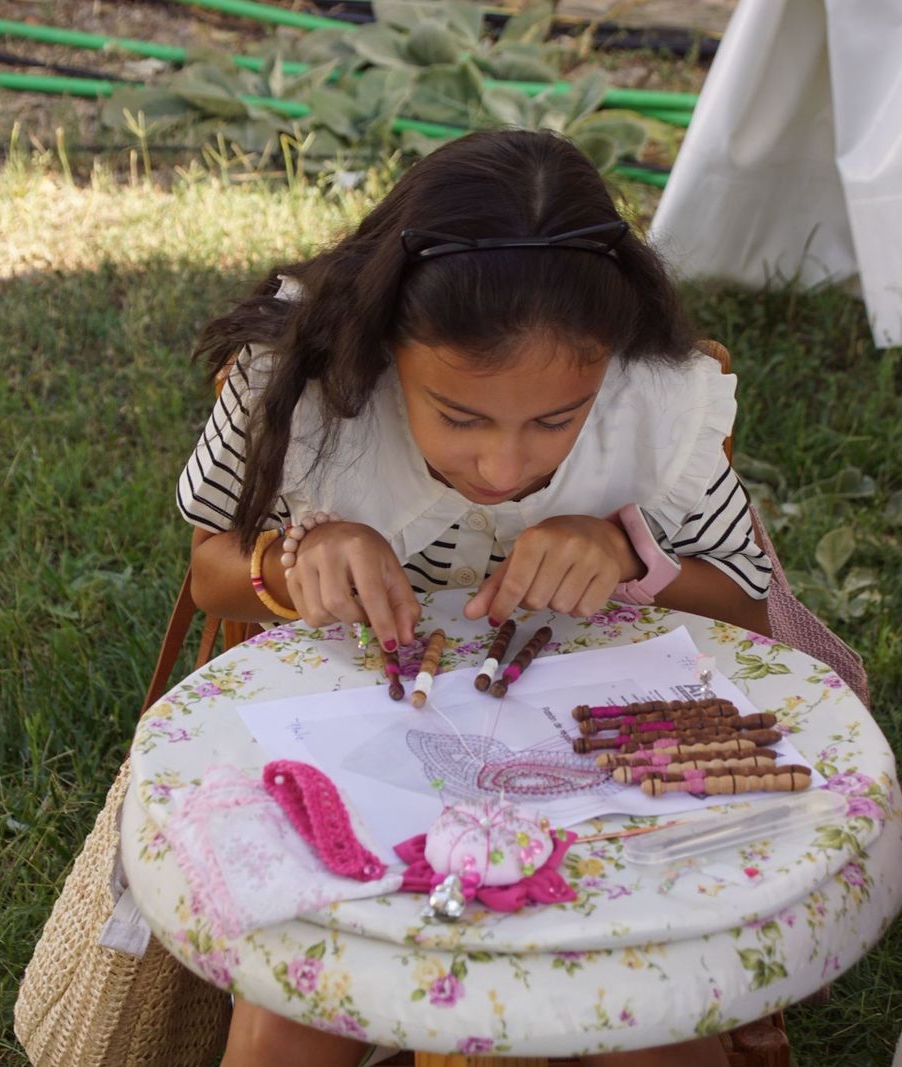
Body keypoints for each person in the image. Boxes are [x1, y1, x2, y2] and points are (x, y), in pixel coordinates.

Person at [179, 129, 772, 1067]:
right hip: (349, 756)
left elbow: (748, 606)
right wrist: (296, 564)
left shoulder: (654, 401)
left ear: (606, 369)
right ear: (385, 353)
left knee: (654, 1010)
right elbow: (211, 566)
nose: (504, 466)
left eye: (555, 421)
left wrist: (624, 550)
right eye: (459, 417)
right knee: (297, 1008)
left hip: (591, 759)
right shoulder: (299, 382)